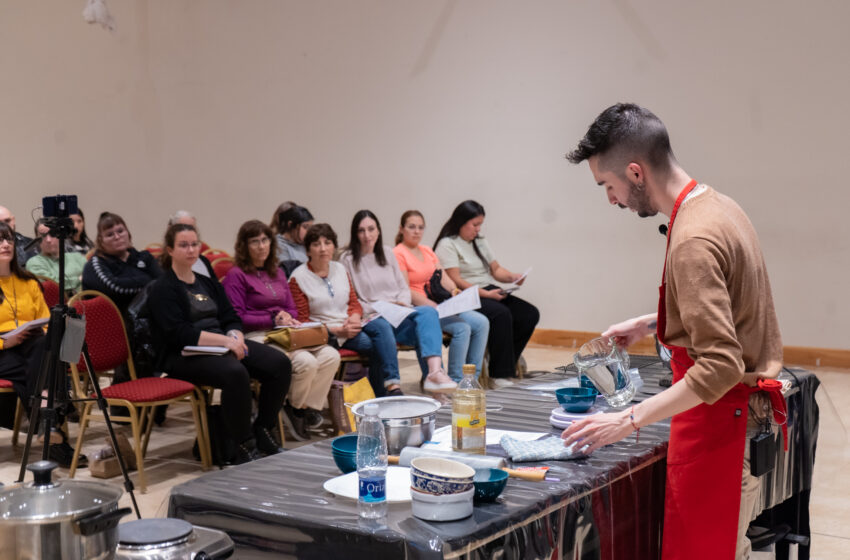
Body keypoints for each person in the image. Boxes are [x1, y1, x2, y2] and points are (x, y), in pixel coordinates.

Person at [561, 103, 783, 560]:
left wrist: (627, 420)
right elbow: (732, 304)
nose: (611, 200)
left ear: (636, 172)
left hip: (723, 425)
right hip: (736, 419)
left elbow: (720, 365)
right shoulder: (717, 206)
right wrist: (649, 323)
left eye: (608, 186)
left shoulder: (692, 239)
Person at [149, 223, 291, 464]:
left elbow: (230, 317)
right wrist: (226, 341)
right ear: (170, 250)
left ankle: (263, 429)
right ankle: (243, 444)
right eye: (183, 245)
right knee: (235, 372)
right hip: (182, 355)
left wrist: (236, 336)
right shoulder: (163, 288)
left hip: (220, 346)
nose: (191, 250)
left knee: (279, 363)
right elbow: (179, 333)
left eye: (194, 244)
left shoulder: (207, 283)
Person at [222, 220, 339, 441]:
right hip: (256, 335)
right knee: (306, 362)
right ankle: (291, 408)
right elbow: (236, 317)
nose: (261, 246)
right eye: (254, 241)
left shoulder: (276, 271)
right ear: (244, 246)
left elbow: (292, 308)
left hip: (285, 332)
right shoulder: (236, 275)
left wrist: (288, 317)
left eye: (265, 240)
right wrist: (271, 319)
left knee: (331, 355)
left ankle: (298, 407)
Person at [341, 210, 456, 393]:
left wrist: (401, 302)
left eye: (371, 229)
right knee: (386, 327)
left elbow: (403, 287)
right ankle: (393, 385)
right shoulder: (347, 259)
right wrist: (382, 307)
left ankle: (435, 374)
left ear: (378, 230)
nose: (367, 235)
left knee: (428, 313)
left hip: (398, 312)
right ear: (355, 233)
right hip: (372, 316)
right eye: (361, 230)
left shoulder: (387, 253)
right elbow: (353, 298)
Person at [288, 224, 404, 397]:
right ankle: (381, 394)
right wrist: (338, 331)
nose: (323, 249)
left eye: (327, 243)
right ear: (308, 250)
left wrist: (355, 317)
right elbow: (302, 321)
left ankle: (392, 386)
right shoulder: (298, 277)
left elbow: (353, 302)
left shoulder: (339, 268)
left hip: (350, 324)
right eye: (316, 244)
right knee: (377, 345)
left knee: (382, 327)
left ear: (334, 246)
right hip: (325, 333)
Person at [0, 222, 80, 466]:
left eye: (9, 239)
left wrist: (32, 331)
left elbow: (45, 321)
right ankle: (53, 430)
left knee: (43, 349)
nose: (5, 244)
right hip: (3, 350)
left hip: (31, 345)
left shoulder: (28, 282)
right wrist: (5, 342)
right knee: (46, 363)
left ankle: (47, 426)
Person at [434, 201, 539, 388]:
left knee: (529, 314)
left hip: (486, 288)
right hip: (466, 294)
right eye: (475, 224)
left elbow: (495, 269)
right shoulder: (447, 244)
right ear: (461, 222)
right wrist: (486, 294)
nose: (478, 229)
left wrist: (512, 277)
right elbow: (455, 279)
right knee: (501, 314)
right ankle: (499, 374)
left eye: (480, 224)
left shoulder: (479, 241)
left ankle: (506, 358)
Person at [393, 210, 489, 382]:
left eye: (421, 227)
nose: (417, 231)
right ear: (401, 229)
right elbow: (405, 290)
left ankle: (471, 380)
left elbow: (443, 277)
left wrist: (455, 292)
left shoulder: (427, 250)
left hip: (440, 304)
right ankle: (455, 380)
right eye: (412, 227)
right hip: (420, 308)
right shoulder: (398, 253)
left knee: (482, 322)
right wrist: (433, 306)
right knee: (462, 328)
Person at [82, 212, 163, 313]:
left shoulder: (144, 257)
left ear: (128, 233)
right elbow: (115, 288)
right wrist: (148, 281)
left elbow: (162, 283)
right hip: (114, 318)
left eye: (120, 231)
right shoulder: (95, 264)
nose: (117, 237)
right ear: (101, 241)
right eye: (110, 234)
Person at [25, 218, 87, 293]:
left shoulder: (78, 258)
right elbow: (53, 286)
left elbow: (91, 280)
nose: (48, 240)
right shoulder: (34, 263)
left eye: (52, 234)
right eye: (43, 235)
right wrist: (79, 279)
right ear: (37, 239)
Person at [168, 210, 213, 275]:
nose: (191, 250)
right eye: (183, 228)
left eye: (192, 229)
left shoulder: (203, 261)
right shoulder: (161, 265)